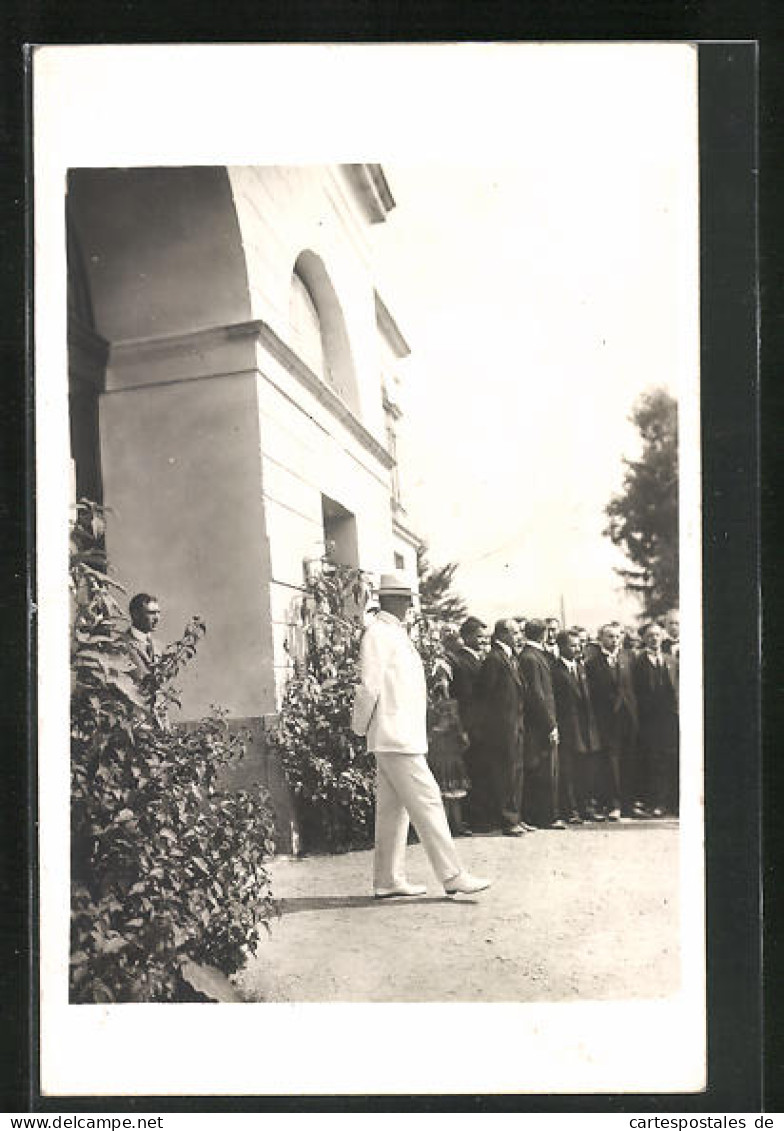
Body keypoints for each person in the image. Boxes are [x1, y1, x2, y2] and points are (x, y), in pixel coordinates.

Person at [351, 572, 490, 898]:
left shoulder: (393, 633)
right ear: (393, 600)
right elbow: (368, 686)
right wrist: (359, 727)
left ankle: (387, 880)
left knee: (392, 810)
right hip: (394, 734)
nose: (410, 606)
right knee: (428, 800)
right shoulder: (378, 634)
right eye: (407, 600)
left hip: (399, 734)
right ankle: (453, 874)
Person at [474, 619, 529, 836]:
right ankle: (507, 819)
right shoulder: (494, 659)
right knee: (505, 773)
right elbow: (484, 696)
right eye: (515, 633)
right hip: (501, 727)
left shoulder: (510, 657)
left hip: (515, 724)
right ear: (503, 634)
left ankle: (516, 815)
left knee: (516, 771)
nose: (519, 636)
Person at [585, 622, 640, 820]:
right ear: (601, 638)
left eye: (617, 636)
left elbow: (636, 688)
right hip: (607, 720)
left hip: (629, 717)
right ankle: (614, 804)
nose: (614, 640)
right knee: (611, 762)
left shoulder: (630, 658)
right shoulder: (592, 663)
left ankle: (629, 803)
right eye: (610, 636)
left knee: (630, 759)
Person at [518, 618, 565, 829]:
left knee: (544, 770)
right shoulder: (532, 657)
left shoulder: (532, 656)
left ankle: (544, 815)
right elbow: (538, 695)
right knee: (543, 771)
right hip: (539, 725)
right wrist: (550, 724)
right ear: (543, 634)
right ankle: (545, 816)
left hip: (539, 722)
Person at [551, 629, 601, 822]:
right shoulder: (555, 670)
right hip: (568, 727)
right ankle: (570, 810)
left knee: (586, 770)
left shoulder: (581, 667)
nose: (578, 648)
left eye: (579, 644)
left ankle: (585, 806)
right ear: (561, 647)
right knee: (569, 771)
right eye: (572, 645)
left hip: (586, 727)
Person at [633, 622, 679, 816]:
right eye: (650, 636)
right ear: (644, 639)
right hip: (648, 721)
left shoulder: (671, 660)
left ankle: (670, 802)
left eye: (657, 635)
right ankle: (654, 802)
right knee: (651, 760)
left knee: (670, 759)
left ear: (663, 637)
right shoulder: (637, 662)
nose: (654, 639)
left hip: (669, 720)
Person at [450, 616, 490, 830]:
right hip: (472, 725)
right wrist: (465, 729)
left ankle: (482, 816)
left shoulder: (479, 659)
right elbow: (464, 699)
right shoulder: (461, 661)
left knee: (482, 770)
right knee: (474, 770)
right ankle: (475, 819)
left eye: (485, 638)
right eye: (479, 637)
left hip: (483, 725)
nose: (483, 642)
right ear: (466, 637)